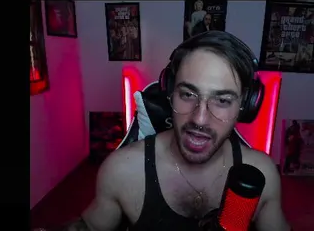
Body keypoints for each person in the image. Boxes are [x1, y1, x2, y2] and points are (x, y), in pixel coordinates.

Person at [64, 31, 289, 231]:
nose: (200, 119)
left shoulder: (263, 174)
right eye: (188, 94)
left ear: (245, 106)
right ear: (170, 92)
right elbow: (90, 226)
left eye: (222, 100)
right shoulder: (122, 170)